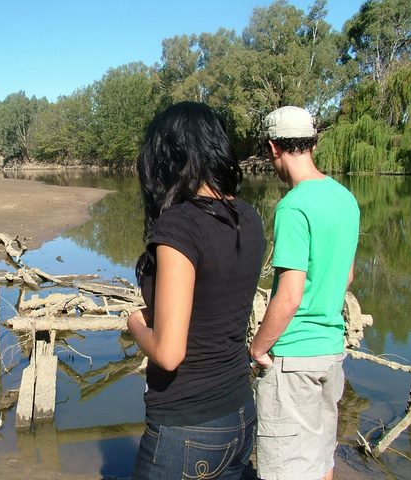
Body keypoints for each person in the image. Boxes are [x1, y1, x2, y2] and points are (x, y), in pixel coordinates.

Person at [128, 102, 266, 479]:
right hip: (239, 411)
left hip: (188, 424)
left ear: (167, 158)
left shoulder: (180, 226)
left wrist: (135, 323)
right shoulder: (248, 217)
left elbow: (170, 354)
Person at [249, 106, 360, 480]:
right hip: (331, 351)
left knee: (284, 469)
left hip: (294, 358)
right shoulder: (345, 198)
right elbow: (347, 276)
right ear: (312, 143)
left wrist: (259, 347)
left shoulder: (293, 206)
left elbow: (289, 295)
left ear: (273, 148)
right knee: (320, 460)